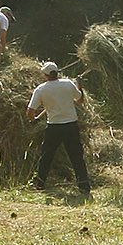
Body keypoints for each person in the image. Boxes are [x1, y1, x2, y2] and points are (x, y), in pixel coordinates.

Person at [27, 61, 90, 195]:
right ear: (57, 72)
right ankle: (84, 187)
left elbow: (30, 110)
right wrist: (80, 86)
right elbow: (80, 100)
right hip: (71, 127)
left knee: (46, 156)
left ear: (45, 75)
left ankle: (40, 184)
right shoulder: (68, 84)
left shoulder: (41, 89)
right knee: (77, 157)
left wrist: (33, 120)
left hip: (53, 128)